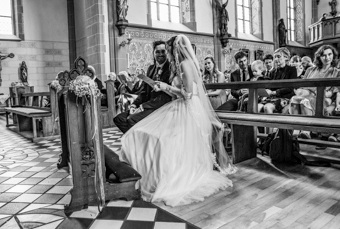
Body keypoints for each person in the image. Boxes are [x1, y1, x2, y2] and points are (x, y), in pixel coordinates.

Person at [119, 34, 236, 207]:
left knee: (166, 140)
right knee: (145, 134)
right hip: (179, 105)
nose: (167, 54)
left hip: (187, 109)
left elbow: (188, 94)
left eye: (168, 50)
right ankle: (147, 175)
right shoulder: (181, 65)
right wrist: (163, 88)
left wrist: (166, 86)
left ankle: (169, 177)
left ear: (175, 49)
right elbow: (179, 92)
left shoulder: (184, 64)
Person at [113, 40, 172, 133]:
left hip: (159, 107)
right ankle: (138, 140)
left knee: (131, 120)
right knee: (119, 119)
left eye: (163, 51)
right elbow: (144, 92)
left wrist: (143, 107)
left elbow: (166, 97)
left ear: (167, 52)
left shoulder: (170, 68)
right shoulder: (151, 69)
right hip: (146, 104)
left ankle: (139, 142)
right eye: (157, 51)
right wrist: (134, 105)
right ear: (153, 53)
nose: (160, 54)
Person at [290, 45, 340, 140]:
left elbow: (334, 90)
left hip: (323, 97)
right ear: (319, 57)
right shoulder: (310, 70)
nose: (327, 57)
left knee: (305, 100)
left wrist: (314, 91)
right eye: (323, 55)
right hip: (307, 93)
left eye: (329, 54)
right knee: (294, 99)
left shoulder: (336, 72)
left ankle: (306, 130)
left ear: (333, 55)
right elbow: (302, 85)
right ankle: (296, 129)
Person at [261, 47, 297, 115]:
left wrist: (275, 92)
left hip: (285, 97)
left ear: (286, 57)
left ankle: (271, 126)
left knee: (267, 108)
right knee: (257, 107)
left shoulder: (292, 69)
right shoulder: (273, 72)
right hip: (273, 97)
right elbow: (270, 86)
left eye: (278, 56)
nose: (276, 59)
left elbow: (290, 88)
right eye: (275, 57)